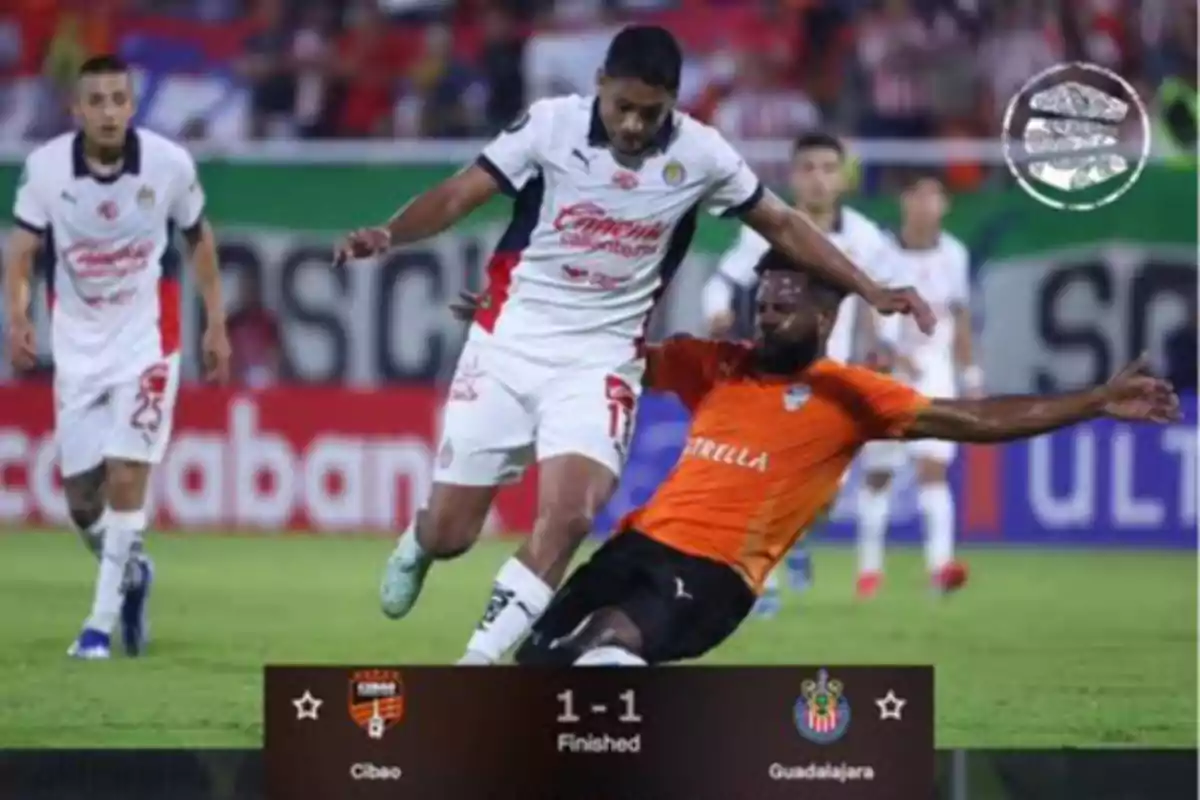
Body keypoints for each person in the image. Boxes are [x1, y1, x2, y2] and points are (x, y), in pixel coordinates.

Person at [333, 25, 935, 667]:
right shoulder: (550, 125)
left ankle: (474, 668)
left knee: (569, 517)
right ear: (600, 87)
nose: (633, 125)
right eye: (622, 106)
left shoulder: (702, 155)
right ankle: (420, 544)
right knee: (454, 533)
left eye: (651, 113)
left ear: (674, 101)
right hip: (507, 345)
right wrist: (388, 235)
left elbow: (784, 224)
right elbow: (459, 193)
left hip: (602, 361)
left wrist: (869, 288)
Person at [514, 249, 1180, 667]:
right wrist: (511, 331)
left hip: (717, 576)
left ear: (825, 320)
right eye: (762, 303)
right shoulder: (715, 364)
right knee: (536, 659)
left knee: (602, 643)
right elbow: (613, 359)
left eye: (784, 306)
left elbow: (972, 419)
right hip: (636, 549)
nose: (766, 317)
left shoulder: (850, 395)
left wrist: (1092, 400)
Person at [4, 55, 231, 660]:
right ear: (76, 111)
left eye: (118, 100)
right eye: (95, 101)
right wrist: (21, 316)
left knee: (129, 474)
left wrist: (216, 322)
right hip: (77, 344)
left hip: (148, 340)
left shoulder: (169, 164)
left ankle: (98, 628)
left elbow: (198, 238)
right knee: (82, 502)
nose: (108, 111)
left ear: (132, 106)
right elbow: (22, 252)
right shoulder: (46, 170)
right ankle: (132, 572)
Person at [700, 131, 893, 615]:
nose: (818, 179)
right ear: (793, 175)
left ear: (843, 178)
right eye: (808, 169)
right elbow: (723, 279)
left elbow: (881, 297)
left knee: (826, 496)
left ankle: (797, 540)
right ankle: (763, 583)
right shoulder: (767, 227)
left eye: (828, 169)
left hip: (836, 378)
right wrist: (718, 310)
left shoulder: (864, 237)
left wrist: (882, 347)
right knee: (765, 477)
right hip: (777, 373)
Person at [855, 171, 978, 598]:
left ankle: (940, 569)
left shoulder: (955, 254)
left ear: (945, 206)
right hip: (890, 372)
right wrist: (887, 355)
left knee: (933, 470)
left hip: (936, 373)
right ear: (905, 202)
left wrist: (971, 373)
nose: (927, 204)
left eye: (935, 196)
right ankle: (869, 571)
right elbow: (870, 312)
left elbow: (960, 316)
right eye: (919, 195)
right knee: (880, 473)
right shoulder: (883, 253)